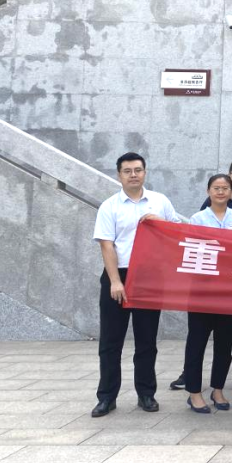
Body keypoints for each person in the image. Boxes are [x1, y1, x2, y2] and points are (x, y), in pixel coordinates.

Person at [91, 152, 180, 417]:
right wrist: (115, 281)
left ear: (145, 172)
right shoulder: (109, 206)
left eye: (138, 170)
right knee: (111, 342)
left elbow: (177, 233)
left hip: (150, 277)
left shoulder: (160, 202)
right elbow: (106, 245)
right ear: (119, 175)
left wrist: (159, 221)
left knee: (146, 341)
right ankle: (107, 397)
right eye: (127, 171)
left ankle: (146, 394)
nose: (133, 175)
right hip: (118, 275)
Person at [183, 174, 232, 413]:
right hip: (202, 291)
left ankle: (218, 389)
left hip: (230, 292)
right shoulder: (197, 218)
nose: (221, 192)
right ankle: (194, 392)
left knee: (224, 345)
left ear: (231, 191)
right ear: (208, 191)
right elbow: (192, 250)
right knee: (196, 343)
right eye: (216, 188)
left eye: (225, 188)